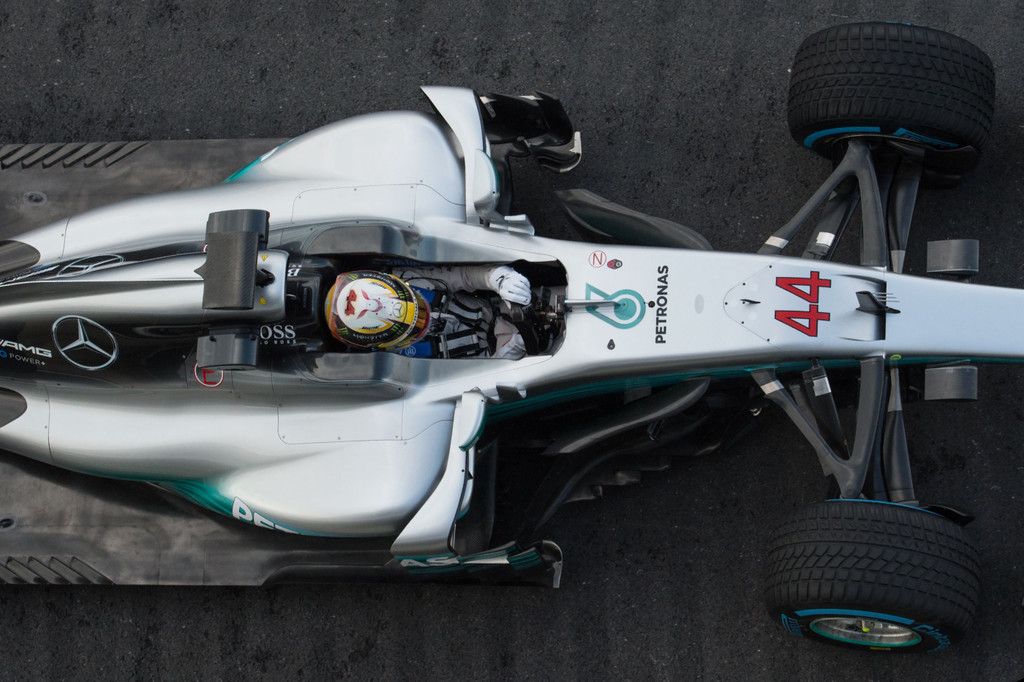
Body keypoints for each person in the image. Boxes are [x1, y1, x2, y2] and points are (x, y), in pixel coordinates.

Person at [325, 265, 531, 359]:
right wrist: (506, 356)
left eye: (420, 309)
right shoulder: (399, 363)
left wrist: (497, 277)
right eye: (414, 327)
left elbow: (463, 275)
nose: (425, 320)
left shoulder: (409, 277)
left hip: (500, 304)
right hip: (495, 356)